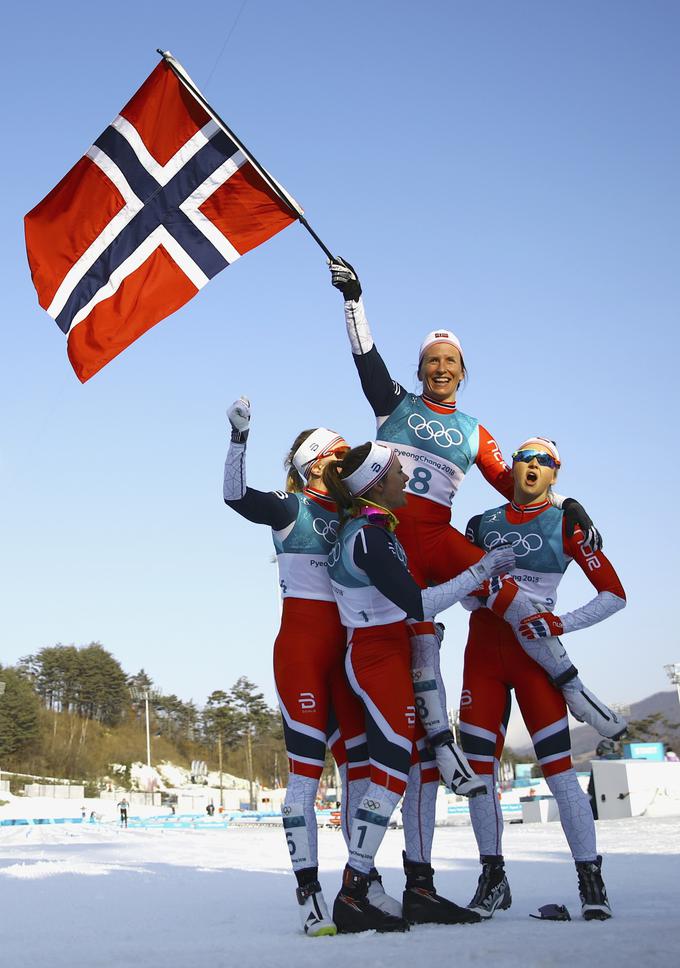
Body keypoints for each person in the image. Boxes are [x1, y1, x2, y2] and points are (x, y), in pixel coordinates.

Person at [328, 258, 625, 747]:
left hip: (438, 539)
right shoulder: (395, 404)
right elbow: (366, 359)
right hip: (391, 541)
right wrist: (353, 301)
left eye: (450, 361)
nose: (441, 368)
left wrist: (569, 502)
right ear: (420, 369)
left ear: (463, 372)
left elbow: (519, 487)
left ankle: (574, 690)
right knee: (422, 642)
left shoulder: (475, 431)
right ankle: (442, 747)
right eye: (432, 360)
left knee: (514, 599)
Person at [323, 440, 516, 933]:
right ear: (375, 485)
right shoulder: (370, 534)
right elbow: (418, 603)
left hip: (384, 654)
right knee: (389, 774)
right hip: (377, 657)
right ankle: (351, 892)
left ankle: (407, 887)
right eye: (395, 473)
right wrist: (480, 569)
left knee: (408, 771)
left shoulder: (374, 530)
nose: (406, 479)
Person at [223, 398, 382, 937]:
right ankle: (308, 891)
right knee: (306, 778)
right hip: (301, 653)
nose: (347, 464)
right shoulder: (292, 508)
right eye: (338, 455)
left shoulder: (361, 515)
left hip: (348, 655)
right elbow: (235, 497)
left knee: (360, 772)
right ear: (315, 464)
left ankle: (364, 881)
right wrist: (239, 439)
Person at [459, 437, 626, 920]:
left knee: (560, 776)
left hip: (536, 658)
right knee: (479, 777)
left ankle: (591, 882)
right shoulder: (481, 523)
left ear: (556, 474)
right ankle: (493, 879)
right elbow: (466, 595)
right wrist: (484, 588)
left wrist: (560, 621)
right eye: (524, 458)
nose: (533, 465)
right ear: (511, 467)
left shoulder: (568, 523)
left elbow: (614, 594)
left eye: (544, 461)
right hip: (483, 658)